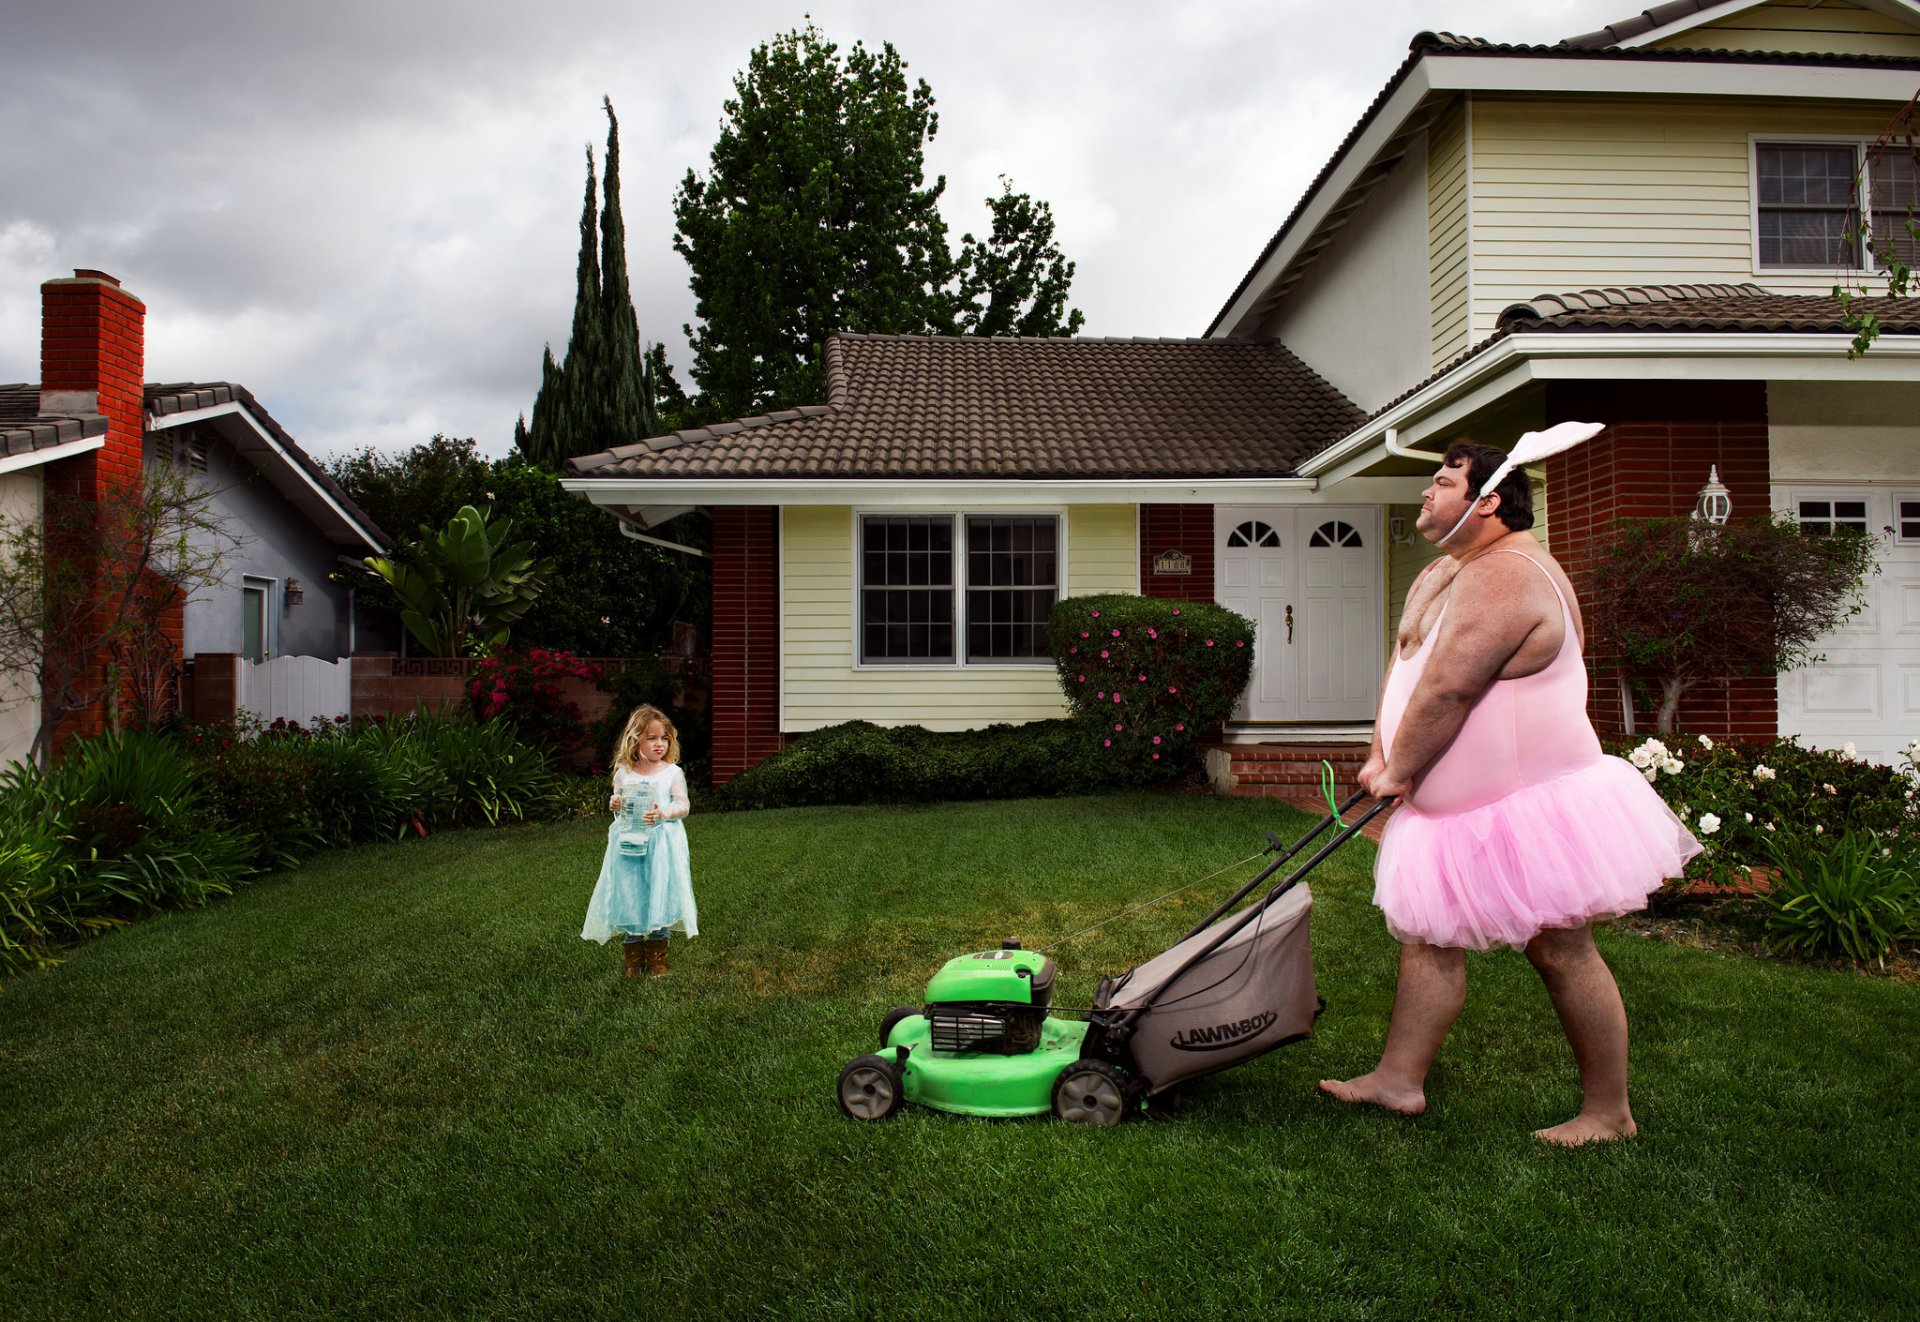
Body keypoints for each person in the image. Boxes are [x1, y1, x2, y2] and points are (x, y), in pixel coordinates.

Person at [1320, 438, 1700, 1145]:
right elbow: (1407, 668)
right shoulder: (1446, 572)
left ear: (1487, 501)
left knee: (1562, 949)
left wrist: (1399, 769)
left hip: (1527, 807)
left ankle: (1608, 1113)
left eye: (1441, 482)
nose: (1426, 494)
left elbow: (1452, 686)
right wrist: (1383, 751)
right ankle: (1398, 1081)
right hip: (1455, 810)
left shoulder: (1510, 571)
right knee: (1428, 937)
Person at [583, 705, 697, 976]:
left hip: (662, 844)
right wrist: (616, 803)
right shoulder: (624, 772)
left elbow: (683, 805)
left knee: (659, 890)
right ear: (635, 739)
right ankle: (633, 955)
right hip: (630, 842)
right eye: (652, 738)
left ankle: (657, 955)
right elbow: (621, 805)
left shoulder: (672, 773)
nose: (660, 744)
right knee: (632, 891)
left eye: (664, 738)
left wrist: (663, 813)